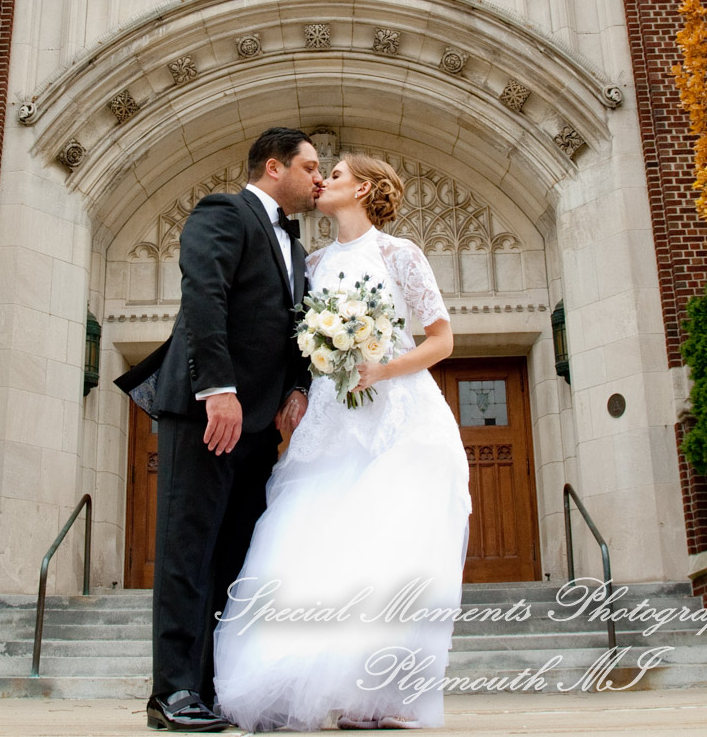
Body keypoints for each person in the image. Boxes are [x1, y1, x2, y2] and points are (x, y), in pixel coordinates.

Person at [213, 153, 471, 732]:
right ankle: (293, 680)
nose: (324, 178)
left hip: (397, 414)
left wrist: (384, 368)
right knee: (311, 536)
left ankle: (378, 695)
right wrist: (298, 391)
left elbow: (442, 340)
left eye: (338, 172)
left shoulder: (401, 254)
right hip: (330, 416)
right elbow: (299, 346)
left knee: (389, 547)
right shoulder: (315, 263)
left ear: (367, 188)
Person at [144, 128, 323, 732]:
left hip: (256, 428)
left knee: (233, 559)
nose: (319, 178)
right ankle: (170, 693)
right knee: (186, 551)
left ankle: (211, 689)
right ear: (274, 168)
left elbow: (298, 327)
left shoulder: (297, 250)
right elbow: (205, 295)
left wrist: (297, 389)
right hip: (205, 414)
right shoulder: (225, 211)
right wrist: (216, 388)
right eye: (310, 166)